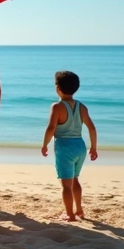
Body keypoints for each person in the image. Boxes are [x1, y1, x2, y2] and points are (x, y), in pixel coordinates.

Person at [42, 70, 98, 221]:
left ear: (58, 88)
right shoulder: (82, 107)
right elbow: (92, 128)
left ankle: (69, 214)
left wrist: (44, 144)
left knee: (66, 185)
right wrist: (93, 147)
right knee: (75, 179)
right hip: (80, 146)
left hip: (64, 146)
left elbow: (51, 128)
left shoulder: (57, 107)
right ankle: (79, 210)